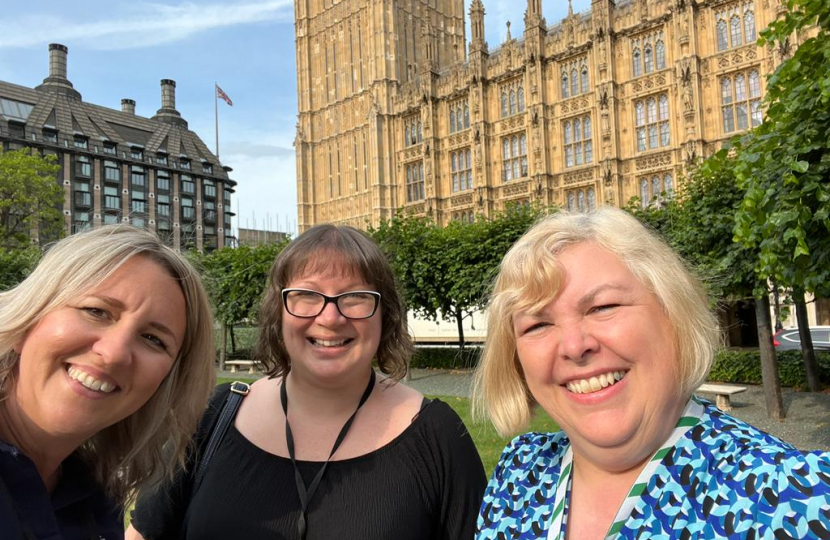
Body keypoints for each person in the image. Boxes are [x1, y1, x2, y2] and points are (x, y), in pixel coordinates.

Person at [473, 208, 830, 540]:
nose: (572, 345)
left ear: (673, 315)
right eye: (537, 325)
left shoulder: (795, 498)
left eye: (602, 307)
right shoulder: (520, 472)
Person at [130, 224, 486, 540]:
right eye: (307, 296)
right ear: (278, 312)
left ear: (385, 315)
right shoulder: (213, 416)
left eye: (356, 298)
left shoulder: (437, 436)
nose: (330, 318)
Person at [0, 225, 215, 540]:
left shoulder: (95, 500)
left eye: (153, 339)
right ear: (30, 316)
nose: (114, 354)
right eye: (96, 311)